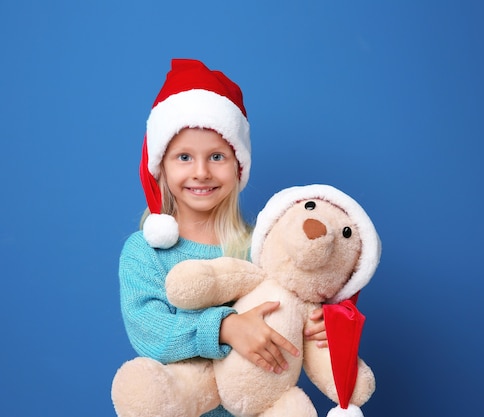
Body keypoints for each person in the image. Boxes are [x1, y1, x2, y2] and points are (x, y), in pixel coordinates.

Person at [116, 58, 327, 417]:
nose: (201, 172)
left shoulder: (260, 248)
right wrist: (225, 328)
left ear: (237, 166)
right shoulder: (144, 252)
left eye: (216, 157)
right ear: (161, 168)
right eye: (184, 157)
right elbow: (149, 331)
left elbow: (281, 320)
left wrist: (308, 326)